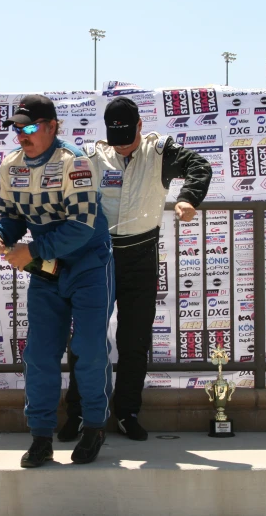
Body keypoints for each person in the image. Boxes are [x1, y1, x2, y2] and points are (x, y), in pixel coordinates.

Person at [59, 96, 212, 442]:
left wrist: (187, 197)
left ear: (141, 127)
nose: (124, 147)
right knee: (86, 338)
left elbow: (200, 168)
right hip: (98, 257)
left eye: (129, 139)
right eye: (118, 141)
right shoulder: (93, 155)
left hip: (141, 257)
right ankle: (79, 412)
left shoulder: (159, 151)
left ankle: (127, 412)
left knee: (134, 340)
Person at [0, 95, 114, 467]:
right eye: (16, 127)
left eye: (29, 127)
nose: (20, 134)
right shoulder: (11, 165)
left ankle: (95, 427)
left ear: (53, 127)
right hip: (46, 270)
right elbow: (11, 217)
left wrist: (32, 251)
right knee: (39, 354)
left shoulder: (75, 162)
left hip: (88, 264)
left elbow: (81, 228)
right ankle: (40, 437)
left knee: (88, 349)